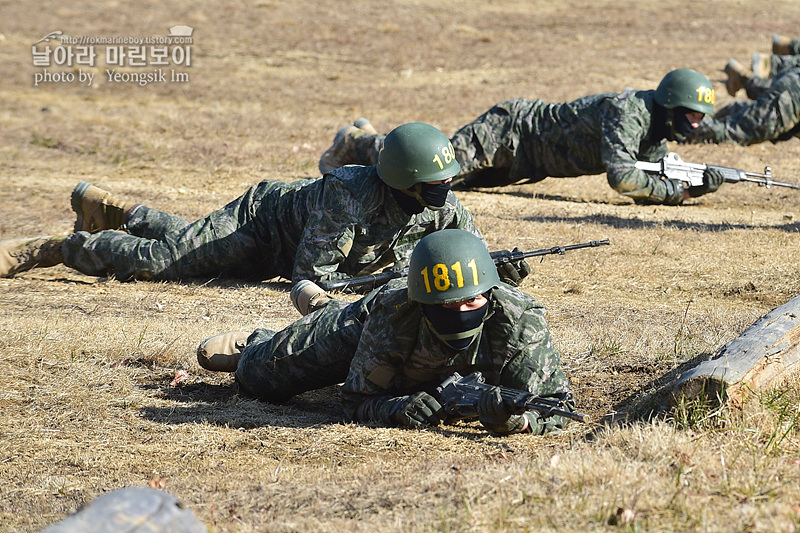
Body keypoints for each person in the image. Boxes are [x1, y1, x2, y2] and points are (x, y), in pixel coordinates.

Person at [0, 123, 529, 293]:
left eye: (446, 182)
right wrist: (394, 278)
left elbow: (468, 256)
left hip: (273, 254)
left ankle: (121, 213)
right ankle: (59, 248)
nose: (445, 193)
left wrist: (495, 270)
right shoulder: (348, 193)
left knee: (189, 251)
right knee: (162, 264)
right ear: (401, 182)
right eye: (433, 184)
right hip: (259, 223)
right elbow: (313, 274)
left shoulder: (441, 205)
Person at [197, 229, 575, 436]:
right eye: (446, 304)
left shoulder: (520, 321)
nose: (460, 310)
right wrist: (395, 409)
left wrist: (515, 421)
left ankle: (322, 306)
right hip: (363, 322)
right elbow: (354, 402)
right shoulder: (396, 312)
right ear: (424, 302)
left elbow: (559, 406)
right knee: (259, 377)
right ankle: (257, 343)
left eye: (471, 301)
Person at [319, 69, 724, 206]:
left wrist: (693, 185)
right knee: (430, 170)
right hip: (513, 130)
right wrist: (673, 193)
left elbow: (652, 172)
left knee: (449, 184)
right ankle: (357, 141)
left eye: (698, 117)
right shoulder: (628, 111)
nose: (694, 123)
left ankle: (369, 138)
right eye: (690, 114)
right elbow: (624, 179)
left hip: (526, 163)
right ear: (671, 105)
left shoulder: (653, 130)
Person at [687, 59, 800, 145]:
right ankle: (685, 124)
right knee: (734, 131)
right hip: (792, 91)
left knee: (765, 107)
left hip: (793, 82)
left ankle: (744, 79)